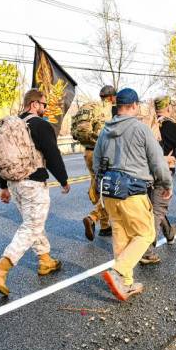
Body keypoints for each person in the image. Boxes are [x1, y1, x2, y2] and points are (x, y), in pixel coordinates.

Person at [0, 89, 70, 296]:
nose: (45, 108)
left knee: (33, 222)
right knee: (32, 225)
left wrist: (3, 186)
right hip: (33, 182)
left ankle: (45, 260)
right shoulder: (40, 125)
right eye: (44, 104)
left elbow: (0, 158)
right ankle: (2, 267)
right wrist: (63, 180)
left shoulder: (11, 126)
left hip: (15, 184)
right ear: (34, 104)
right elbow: (52, 154)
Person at [93, 88, 172, 301]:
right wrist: (166, 183)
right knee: (146, 233)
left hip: (109, 191)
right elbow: (157, 161)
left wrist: (101, 183)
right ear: (135, 105)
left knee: (121, 234)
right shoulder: (141, 129)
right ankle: (118, 271)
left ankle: (125, 284)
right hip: (132, 191)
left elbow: (96, 162)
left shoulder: (104, 130)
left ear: (117, 106)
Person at [140, 95, 176, 265]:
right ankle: (147, 250)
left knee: (155, 204)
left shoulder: (146, 126)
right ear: (169, 108)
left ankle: (169, 232)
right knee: (157, 209)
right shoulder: (171, 126)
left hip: (145, 172)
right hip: (162, 172)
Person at [71, 85, 117, 241]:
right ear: (111, 97)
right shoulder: (107, 110)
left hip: (88, 153)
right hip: (102, 154)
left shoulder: (91, 108)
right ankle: (93, 217)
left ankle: (105, 227)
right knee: (109, 189)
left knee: (98, 186)